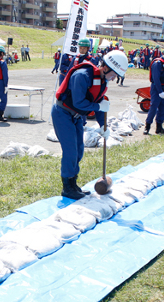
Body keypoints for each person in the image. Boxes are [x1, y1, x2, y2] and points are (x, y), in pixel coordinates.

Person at [52, 50, 128, 199]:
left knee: (79, 150)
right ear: (105, 67)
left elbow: (98, 102)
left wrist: (102, 126)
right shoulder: (82, 76)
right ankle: (67, 188)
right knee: (70, 152)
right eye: (113, 74)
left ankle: (73, 185)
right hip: (63, 114)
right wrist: (99, 107)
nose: (113, 79)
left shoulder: (102, 80)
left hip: (77, 116)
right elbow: (78, 101)